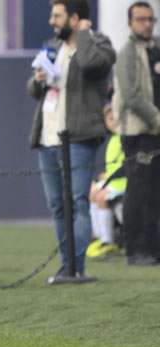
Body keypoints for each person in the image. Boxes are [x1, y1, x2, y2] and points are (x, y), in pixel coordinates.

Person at [27, 0, 116, 282]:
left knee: (77, 202)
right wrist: (39, 79)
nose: (52, 20)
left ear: (75, 19)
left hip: (78, 136)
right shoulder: (51, 45)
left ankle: (76, 268)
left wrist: (85, 34)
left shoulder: (99, 44)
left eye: (58, 15)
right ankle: (66, 265)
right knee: (57, 205)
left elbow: (91, 64)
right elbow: (32, 89)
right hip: (48, 137)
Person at [113, 1, 160, 266]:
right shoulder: (127, 53)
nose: (147, 24)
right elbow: (131, 96)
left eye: (150, 19)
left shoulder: (157, 49)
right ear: (130, 23)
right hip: (138, 133)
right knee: (139, 190)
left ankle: (154, 248)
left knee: (155, 193)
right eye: (141, 19)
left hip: (156, 133)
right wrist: (156, 119)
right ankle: (135, 249)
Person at [87, 104, 127, 259]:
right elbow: (110, 167)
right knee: (91, 192)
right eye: (109, 119)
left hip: (123, 184)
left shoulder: (126, 139)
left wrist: (108, 179)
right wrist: (102, 177)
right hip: (114, 183)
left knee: (101, 197)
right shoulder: (112, 140)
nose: (113, 122)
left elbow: (126, 166)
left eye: (116, 117)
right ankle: (97, 236)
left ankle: (108, 241)